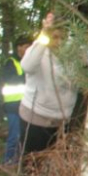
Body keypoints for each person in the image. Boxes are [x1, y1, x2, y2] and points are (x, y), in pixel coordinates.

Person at [19, 12, 77, 158]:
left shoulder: (74, 51)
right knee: (31, 167)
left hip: (62, 123)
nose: (59, 42)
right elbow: (27, 65)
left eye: (62, 38)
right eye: (55, 37)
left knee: (56, 170)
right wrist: (44, 35)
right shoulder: (38, 50)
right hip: (35, 121)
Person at [0, 36, 31, 164]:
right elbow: (10, 80)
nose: (28, 49)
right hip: (13, 106)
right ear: (19, 47)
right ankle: (8, 161)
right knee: (14, 135)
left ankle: (20, 160)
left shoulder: (29, 62)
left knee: (25, 135)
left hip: (26, 105)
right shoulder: (11, 62)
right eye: (26, 46)